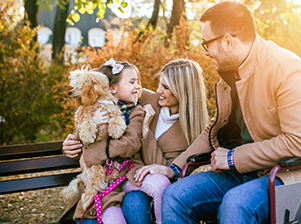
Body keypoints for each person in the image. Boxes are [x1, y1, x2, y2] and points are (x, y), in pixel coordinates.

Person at [161, 1, 301, 224]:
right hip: (243, 172)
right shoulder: (231, 75)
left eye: (206, 44)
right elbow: (214, 129)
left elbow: (299, 143)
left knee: (236, 203)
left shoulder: (287, 69)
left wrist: (232, 157)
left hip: (289, 174)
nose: (206, 52)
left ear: (228, 41)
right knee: (174, 196)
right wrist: (174, 167)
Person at [62, 59, 210, 224]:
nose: (157, 90)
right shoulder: (148, 98)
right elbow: (106, 82)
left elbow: (163, 170)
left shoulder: (189, 134)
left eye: (165, 87)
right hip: (109, 178)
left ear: (183, 92)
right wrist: (73, 143)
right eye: (160, 84)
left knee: (135, 203)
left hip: (141, 182)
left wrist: (145, 133)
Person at [59, 59, 144, 224]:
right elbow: (81, 134)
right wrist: (70, 143)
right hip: (95, 181)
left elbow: (130, 144)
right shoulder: (93, 107)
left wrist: (92, 154)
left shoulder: (134, 109)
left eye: (137, 82)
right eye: (133, 82)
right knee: (89, 215)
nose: (138, 86)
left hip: (119, 177)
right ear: (111, 88)